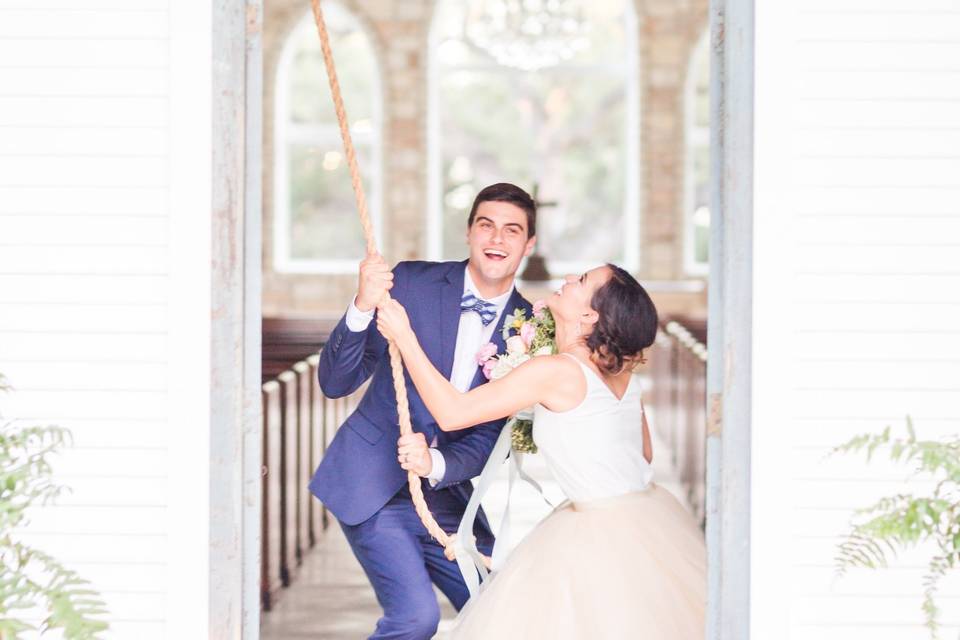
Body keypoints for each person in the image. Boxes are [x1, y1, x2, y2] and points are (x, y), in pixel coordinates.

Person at [376, 264, 707, 639]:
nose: (568, 279)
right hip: (648, 517)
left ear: (589, 314)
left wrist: (404, 337)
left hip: (595, 529)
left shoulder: (556, 372)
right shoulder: (623, 372)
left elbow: (453, 414)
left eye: (581, 281)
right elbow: (643, 455)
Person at [310, 183, 537, 640]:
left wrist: (435, 462)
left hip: (445, 491)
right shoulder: (411, 282)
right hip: (371, 482)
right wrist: (360, 306)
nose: (497, 239)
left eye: (512, 230)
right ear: (469, 232)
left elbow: (492, 437)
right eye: (486, 225)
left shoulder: (530, 329)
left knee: (501, 605)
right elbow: (336, 383)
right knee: (415, 619)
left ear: (528, 244)